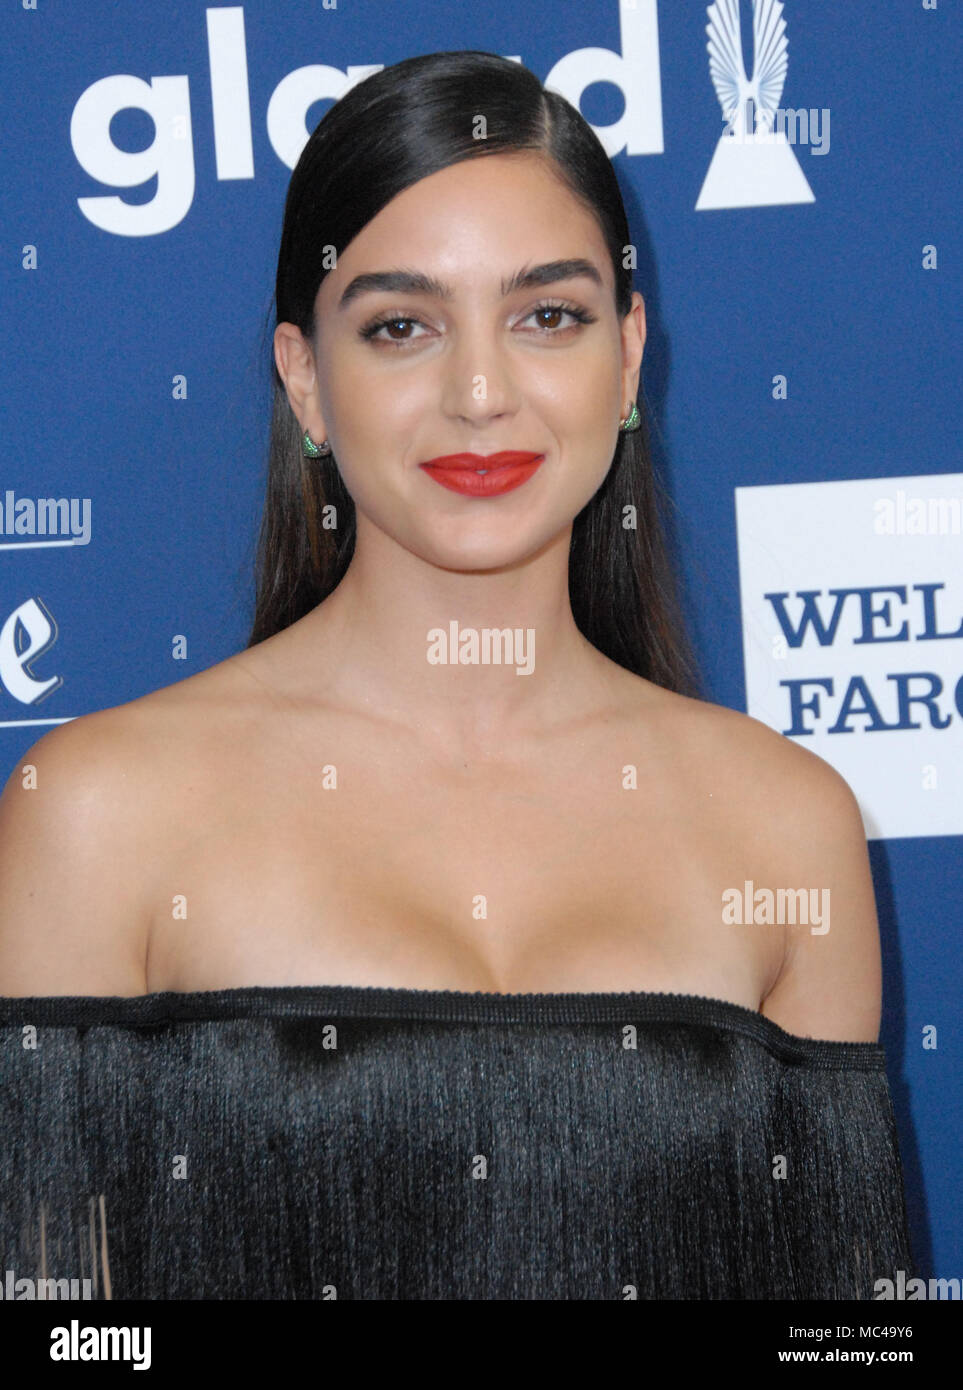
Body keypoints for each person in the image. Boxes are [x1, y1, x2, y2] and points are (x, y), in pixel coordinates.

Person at [0, 51, 913, 1300]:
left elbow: (842, 1330)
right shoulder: (96, 809)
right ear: (306, 378)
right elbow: (53, 1320)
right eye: (401, 326)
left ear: (630, 355)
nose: (482, 393)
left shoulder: (790, 824)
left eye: (549, 314)